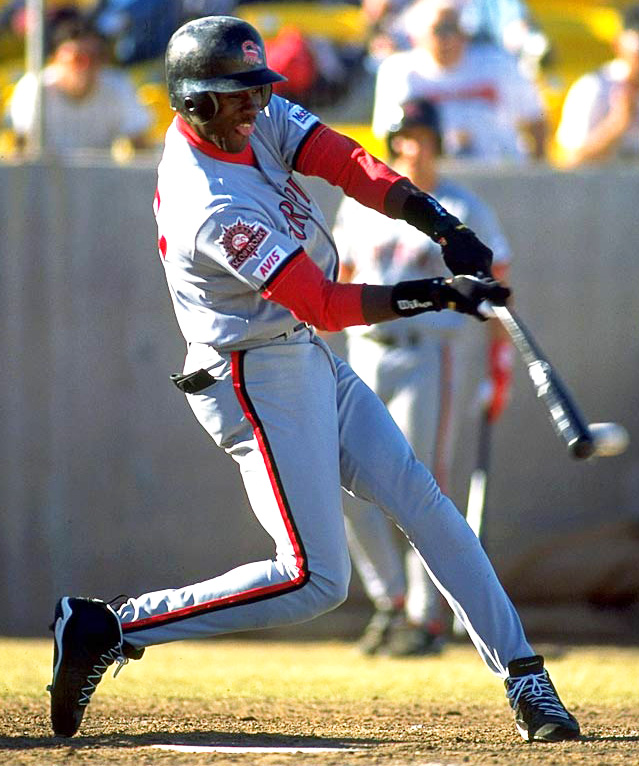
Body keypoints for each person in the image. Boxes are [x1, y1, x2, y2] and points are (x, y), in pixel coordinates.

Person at [46, 15, 580, 745]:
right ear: (195, 102)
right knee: (312, 580)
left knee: (422, 501)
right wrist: (435, 292)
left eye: (257, 89)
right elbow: (321, 304)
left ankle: (524, 676)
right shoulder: (211, 201)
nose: (257, 104)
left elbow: (344, 161)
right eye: (238, 94)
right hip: (249, 376)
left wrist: (439, 221)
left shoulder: (248, 117)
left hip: (298, 356)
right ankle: (109, 623)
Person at [333, 98, 513, 656]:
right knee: (346, 482)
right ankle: (390, 603)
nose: (412, 148)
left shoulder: (461, 206)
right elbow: (341, 278)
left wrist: (498, 368)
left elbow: (496, 286)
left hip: (430, 351)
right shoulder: (362, 206)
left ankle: (426, 616)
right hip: (366, 349)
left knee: (419, 483)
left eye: (421, 138)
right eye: (403, 138)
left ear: (437, 143)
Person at [371, 0, 547, 161]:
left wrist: (536, 168)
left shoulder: (498, 63)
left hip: (501, 173)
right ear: (416, 38)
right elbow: (390, 137)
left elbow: (536, 119)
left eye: (453, 28)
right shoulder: (399, 71)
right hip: (434, 180)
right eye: (439, 30)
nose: (448, 38)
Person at [7, 16, 151, 156]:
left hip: (99, 178)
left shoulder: (118, 86)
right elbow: (20, 153)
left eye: (95, 58)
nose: (86, 67)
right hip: (43, 178)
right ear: (55, 59)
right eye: (78, 59)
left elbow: (141, 147)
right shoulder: (34, 89)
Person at [554, 4, 639, 166]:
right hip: (603, 189)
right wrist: (616, 126)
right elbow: (568, 162)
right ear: (617, 45)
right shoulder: (594, 88)